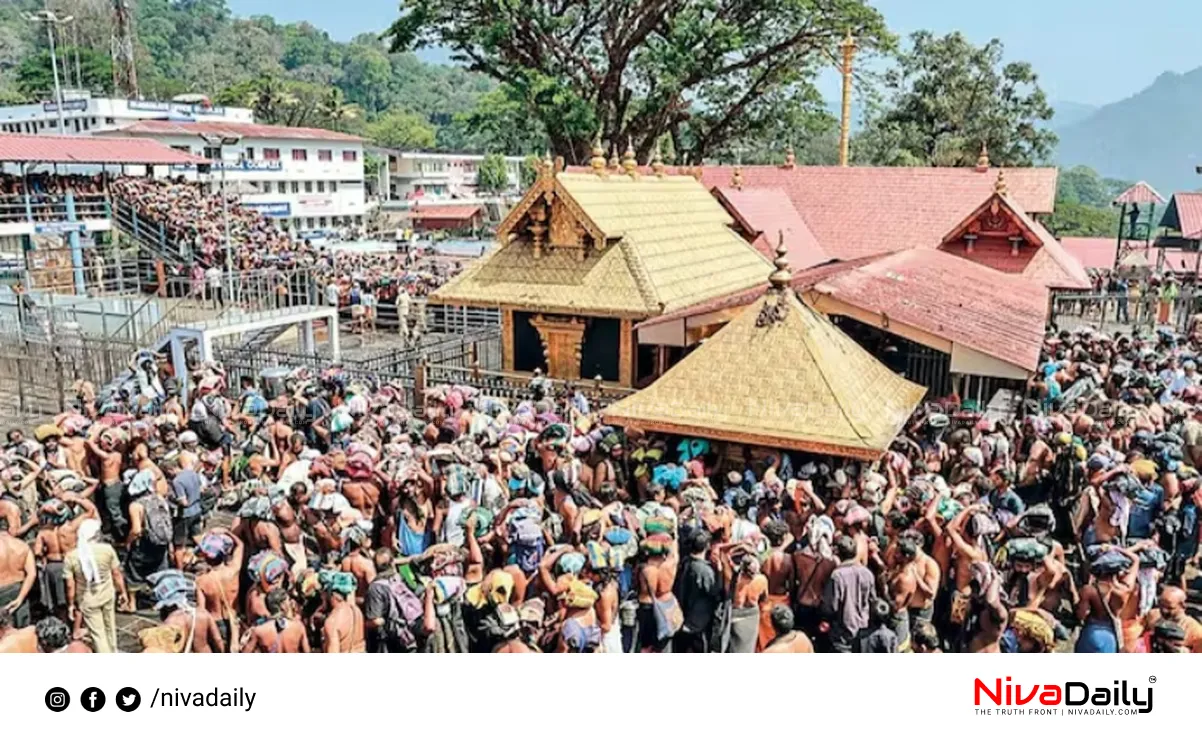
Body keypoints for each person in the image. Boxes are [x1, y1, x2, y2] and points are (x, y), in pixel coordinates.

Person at [63, 520, 129, 653]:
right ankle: (113, 650)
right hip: (107, 593)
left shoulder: (71, 556)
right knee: (110, 625)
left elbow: (70, 586)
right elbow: (116, 574)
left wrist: (71, 605)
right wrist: (123, 592)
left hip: (87, 599)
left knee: (98, 633)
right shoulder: (107, 550)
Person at [822, 535, 875, 653]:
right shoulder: (867, 573)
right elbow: (872, 600)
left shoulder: (837, 576)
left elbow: (830, 606)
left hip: (843, 633)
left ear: (838, 553)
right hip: (863, 630)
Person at [0, 518, 35, 629]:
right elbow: (32, 574)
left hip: (1, 591)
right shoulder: (22, 545)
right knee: (21, 630)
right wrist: (20, 598)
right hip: (19, 589)